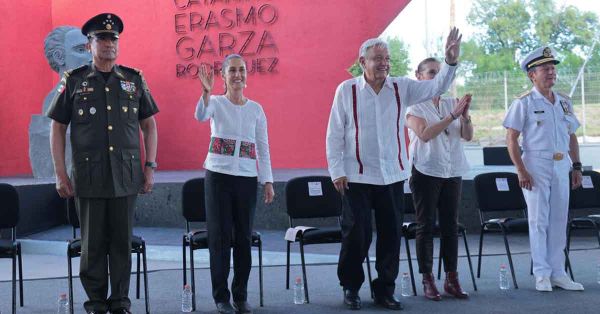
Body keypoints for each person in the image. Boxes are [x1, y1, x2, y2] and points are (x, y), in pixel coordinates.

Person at [326, 27, 462, 310]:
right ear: (362, 62)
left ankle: (385, 290)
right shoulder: (346, 90)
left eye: (387, 58)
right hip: (356, 177)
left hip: (392, 176)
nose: (384, 63)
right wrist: (336, 170)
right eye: (378, 58)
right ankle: (351, 287)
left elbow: (436, 87)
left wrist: (450, 63)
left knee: (390, 236)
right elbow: (334, 134)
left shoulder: (402, 87)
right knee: (357, 235)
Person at [48, 13, 159, 314]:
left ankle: (120, 301)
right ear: (90, 44)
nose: (109, 43)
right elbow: (57, 128)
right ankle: (96, 302)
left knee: (122, 244)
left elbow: (148, 125)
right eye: (103, 38)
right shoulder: (74, 81)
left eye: (114, 39)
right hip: (89, 176)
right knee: (93, 245)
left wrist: (150, 166)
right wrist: (60, 173)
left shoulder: (133, 80)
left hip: (125, 175)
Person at [195, 54, 275, 314]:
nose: (238, 75)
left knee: (243, 238)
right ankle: (222, 297)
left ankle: (240, 295)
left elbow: (263, 147)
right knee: (219, 238)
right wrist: (206, 93)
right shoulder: (215, 103)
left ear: (247, 75)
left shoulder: (256, 109)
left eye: (242, 70)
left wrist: (267, 180)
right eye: (232, 71)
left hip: (246, 179)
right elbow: (200, 115)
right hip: (218, 178)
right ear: (224, 76)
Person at [503, 46, 584, 292]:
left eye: (552, 68)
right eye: (545, 69)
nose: (551, 73)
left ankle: (558, 272)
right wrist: (520, 169)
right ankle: (541, 274)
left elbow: (571, 136)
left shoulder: (564, 102)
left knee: (559, 218)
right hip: (536, 163)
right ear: (532, 75)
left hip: (561, 164)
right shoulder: (524, 102)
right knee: (539, 220)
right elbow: (511, 139)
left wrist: (577, 166)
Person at [405, 57, 473, 301]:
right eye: (431, 73)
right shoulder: (413, 106)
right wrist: (452, 116)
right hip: (426, 170)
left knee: (450, 226)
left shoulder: (451, 103)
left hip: (452, 169)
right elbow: (424, 134)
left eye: (440, 73)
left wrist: (464, 117)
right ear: (419, 76)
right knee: (425, 225)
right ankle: (428, 278)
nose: (437, 77)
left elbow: (467, 136)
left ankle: (451, 278)